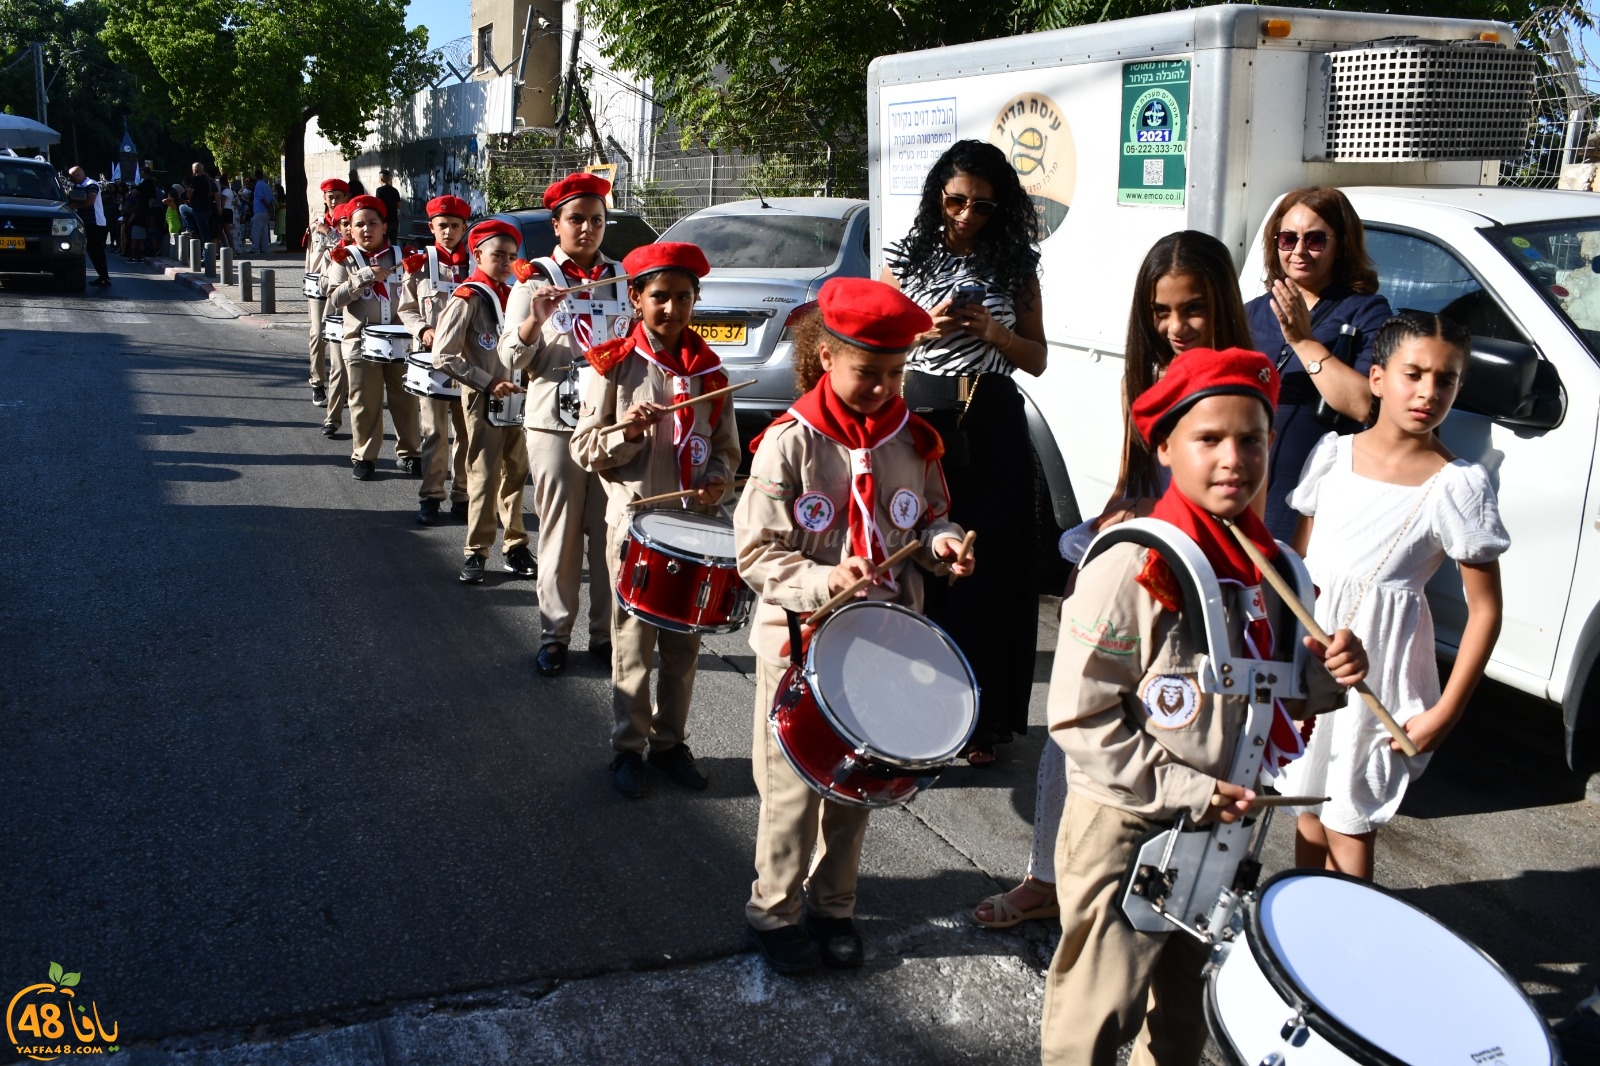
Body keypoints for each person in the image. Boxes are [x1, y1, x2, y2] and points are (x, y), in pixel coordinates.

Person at [1039, 346, 1369, 1066]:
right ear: (1165, 446)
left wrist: (1330, 674)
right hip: (1127, 824)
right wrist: (1189, 789)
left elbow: (1276, 686)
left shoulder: (1278, 568)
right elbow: (1079, 716)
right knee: (1098, 1014)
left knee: (1184, 1018)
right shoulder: (1135, 564)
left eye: (1252, 439)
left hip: (1221, 831)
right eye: (1208, 439)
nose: (1234, 459)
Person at [973, 230, 1252, 930]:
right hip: (1141, 586)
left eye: (1192, 309)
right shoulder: (1149, 379)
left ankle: (1160, 897)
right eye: (1160, 312)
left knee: (1183, 752)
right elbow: (1137, 485)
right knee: (1076, 730)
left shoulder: (1248, 381)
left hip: (1205, 602)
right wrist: (1104, 542)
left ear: (1221, 303)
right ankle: (1047, 878)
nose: (1175, 327)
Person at [734, 277, 973, 975]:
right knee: (788, 791)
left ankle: (834, 905)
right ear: (826, 359)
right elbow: (757, 552)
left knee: (855, 788)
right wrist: (825, 581)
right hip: (800, 643)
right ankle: (773, 911)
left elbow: (929, 518)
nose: (883, 387)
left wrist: (944, 545)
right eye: (867, 372)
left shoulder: (914, 440)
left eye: (895, 373)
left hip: (881, 646)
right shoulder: (789, 443)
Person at [1276, 311, 1508, 880]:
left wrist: (1446, 711)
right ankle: (1303, 935)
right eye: (1415, 373)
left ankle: (1351, 954)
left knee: (1348, 821)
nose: (1429, 391)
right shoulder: (1333, 455)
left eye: (1447, 379)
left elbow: (1486, 609)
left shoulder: (1457, 485)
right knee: (1305, 810)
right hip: (1312, 660)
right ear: (1377, 378)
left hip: (1379, 673)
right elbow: (1301, 571)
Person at [880, 139, 1047, 765]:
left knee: (989, 569)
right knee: (921, 559)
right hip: (922, 417)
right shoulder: (905, 257)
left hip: (995, 417)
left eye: (981, 203)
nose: (967, 214)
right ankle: (914, 710)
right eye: (955, 200)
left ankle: (980, 719)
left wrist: (995, 333)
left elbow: (1038, 357)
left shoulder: (1016, 263)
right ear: (937, 198)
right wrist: (929, 327)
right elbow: (878, 345)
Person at [570, 242, 738, 799]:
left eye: (683, 298)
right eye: (659, 297)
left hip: (693, 525)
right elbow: (585, 449)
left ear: (696, 301)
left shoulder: (712, 372)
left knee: (684, 647)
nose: (671, 309)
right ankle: (627, 748)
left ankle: (670, 743)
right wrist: (629, 432)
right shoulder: (613, 364)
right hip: (636, 523)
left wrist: (718, 477)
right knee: (633, 643)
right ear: (637, 297)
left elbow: (726, 449)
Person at [500, 173, 623, 676]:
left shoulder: (622, 276)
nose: (588, 228)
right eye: (577, 219)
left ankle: (605, 634)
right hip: (554, 422)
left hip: (610, 424)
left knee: (610, 533)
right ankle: (555, 634)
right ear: (556, 224)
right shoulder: (535, 279)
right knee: (560, 532)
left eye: (597, 220)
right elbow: (511, 355)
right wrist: (534, 318)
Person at [1246, 186, 1392, 542]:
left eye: (1314, 240)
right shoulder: (1250, 312)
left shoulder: (1366, 311)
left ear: (1340, 244)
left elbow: (1363, 405)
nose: (1298, 251)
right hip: (1247, 485)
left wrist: (1303, 341)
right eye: (1287, 238)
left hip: (1311, 497)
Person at [430, 219, 537, 583]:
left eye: (512, 255)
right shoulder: (468, 297)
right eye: (498, 255)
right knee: (484, 475)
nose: (507, 262)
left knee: (517, 471)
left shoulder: (518, 296)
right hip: (484, 399)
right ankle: (476, 550)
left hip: (520, 400)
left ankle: (516, 544)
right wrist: (488, 382)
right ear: (477, 254)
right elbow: (443, 356)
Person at [324, 194, 422, 480]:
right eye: (359, 225)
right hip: (360, 342)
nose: (366, 230)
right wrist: (364, 275)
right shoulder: (344, 259)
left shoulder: (405, 258)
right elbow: (335, 298)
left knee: (406, 401)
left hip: (401, 341)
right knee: (364, 401)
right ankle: (364, 456)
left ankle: (409, 453)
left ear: (384, 226)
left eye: (372, 223)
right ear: (350, 230)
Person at [398, 194, 475, 527]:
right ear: (432, 227)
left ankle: (462, 494)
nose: (448, 232)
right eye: (442, 225)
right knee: (434, 433)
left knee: (467, 433)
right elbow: (406, 308)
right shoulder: (420, 264)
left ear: (464, 228)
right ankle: (431, 497)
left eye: (455, 226)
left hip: (469, 362)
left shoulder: (477, 263)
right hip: (431, 362)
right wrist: (423, 328)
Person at [305, 178, 350, 409]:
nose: (333, 200)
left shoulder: (348, 222)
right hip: (319, 286)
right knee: (318, 333)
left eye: (338, 196)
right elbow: (312, 258)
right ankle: (317, 383)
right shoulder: (317, 224)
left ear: (345, 198)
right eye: (330, 196)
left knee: (341, 336)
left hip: (341, 286)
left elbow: (346, 250)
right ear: (324, 198)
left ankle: (342, 386)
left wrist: (332, 233)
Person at [317, 201, 356, 439]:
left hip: (368, 322)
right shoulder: (334, 253)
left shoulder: (374, 252)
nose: (350, 229)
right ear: (340, 228)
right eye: (345, 224)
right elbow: (323, 285)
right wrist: (334, 266)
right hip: (339, 318)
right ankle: (332, 418)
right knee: (339, 369)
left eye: (352, 223)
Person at [67, 166, 110, 286]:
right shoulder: (77, 187)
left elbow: (90, 201)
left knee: (97, 251)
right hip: (84, 222)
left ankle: (104, 277)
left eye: (72, 176)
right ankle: (102, 276)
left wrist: (74, 206)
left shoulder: (91, 184)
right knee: (91, 250)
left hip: (95, 223)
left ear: (77, 175)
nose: (71, 179)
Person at [184, 162, 214, 245]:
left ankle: (207, 253)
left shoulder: (195, 179)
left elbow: (189, 194)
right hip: (208, 207)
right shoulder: (207, 179)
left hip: (198, 208)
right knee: (205, 229)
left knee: (203, 231)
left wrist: (189, 198)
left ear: (195, 169)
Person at [250, 170, 275, 256]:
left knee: (256, 231)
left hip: (260, 210)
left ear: (256, 176)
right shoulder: (267, 186)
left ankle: (255, 248)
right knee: (264, 231)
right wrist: (270, 209)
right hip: (266, 212)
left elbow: (261, 198)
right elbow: (272, 199)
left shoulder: (258, 185)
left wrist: (267, 206)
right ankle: (265, 248)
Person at [375, 169, 402, 236]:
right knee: (394, 242)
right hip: (394, 220)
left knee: (384, 242)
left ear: (381, 179)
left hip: (384, 221)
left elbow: (377, 205)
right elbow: (399, 206)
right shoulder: (395, 191)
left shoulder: (379, 190)